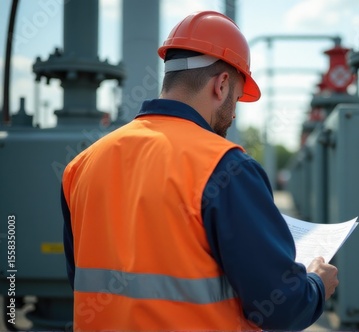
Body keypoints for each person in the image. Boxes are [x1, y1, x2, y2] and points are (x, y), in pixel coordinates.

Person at [61, 10, 339, 331]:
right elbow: (280, 307)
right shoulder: (226, 167)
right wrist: (316, 285)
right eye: (236, 98)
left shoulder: (82, 165)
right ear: (221, 85)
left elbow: (82, 278)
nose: (232, 115)